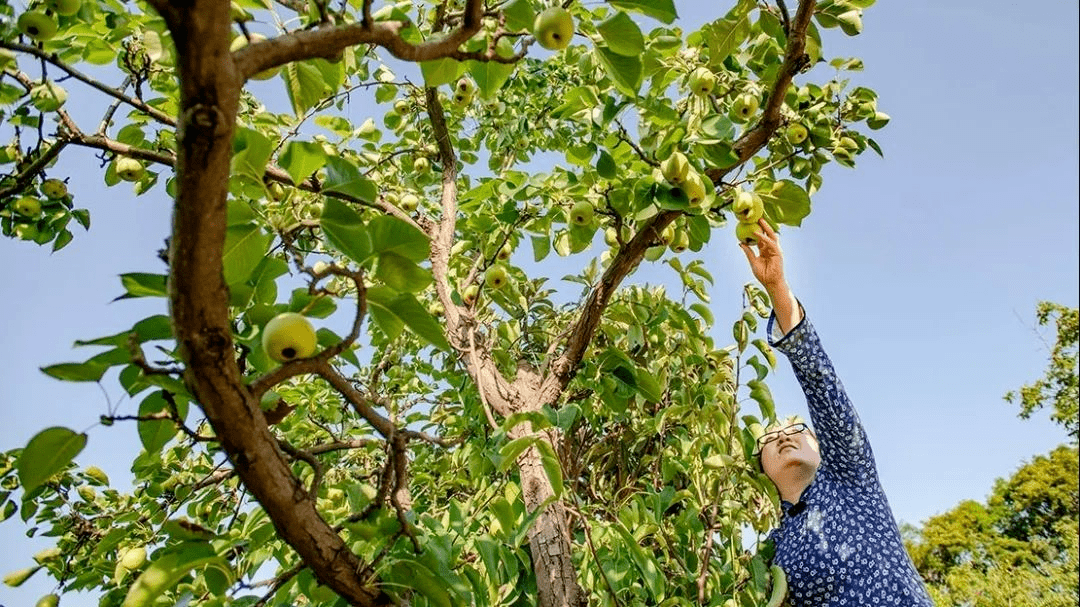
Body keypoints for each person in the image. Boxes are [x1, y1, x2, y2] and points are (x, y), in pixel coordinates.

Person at [739, 218, 934, 606]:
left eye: (797, 429)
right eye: (770, 437)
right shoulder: (772, 551)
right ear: (760, 467)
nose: (784, 435)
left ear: (822, 445)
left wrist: (776, 288)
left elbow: (822, 385)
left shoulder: (850, 478)